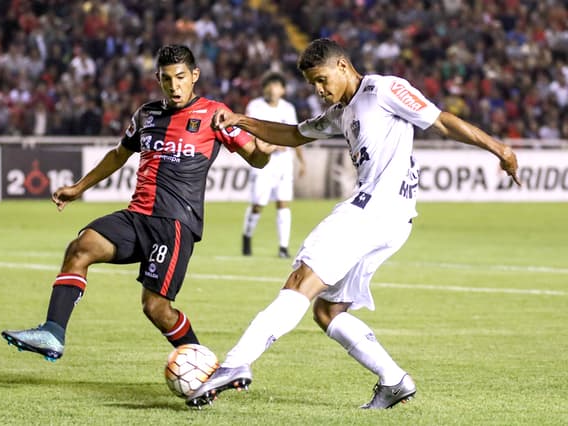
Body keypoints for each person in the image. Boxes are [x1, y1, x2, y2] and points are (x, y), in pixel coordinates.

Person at [186, 38, 520, 409]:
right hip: (393, 220)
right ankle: (394, 381)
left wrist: (500, 149)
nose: (318, 89)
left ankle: (234, 364)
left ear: (343, 66)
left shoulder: (383, 89)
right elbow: (294, 134)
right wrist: (241, 120)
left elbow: (440, 121)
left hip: (373, 210)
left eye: (322, 79)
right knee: (328, 311)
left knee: (301, 280)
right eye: (313, 83)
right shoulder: (341, 113)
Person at [1, 45, 275, 361]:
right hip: (136, 217)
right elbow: (120, 154)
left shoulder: (215, 114)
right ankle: (53, 332)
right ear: (158, 79)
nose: (174, 86)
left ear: (195, 76)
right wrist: (79, 188)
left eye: (181, 78)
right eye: (166, 79)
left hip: (173, 224)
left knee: (155, 307)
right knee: (80, 248)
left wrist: (263, 152)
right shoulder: (147, 114)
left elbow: (254, 158)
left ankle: (205, 366)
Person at [242, 72, 305, 258]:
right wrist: (274, 145)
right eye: (269, 85)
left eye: (276, 85)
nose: (272, 88)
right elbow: (249, 132)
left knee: (283, 203)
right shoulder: (255, 106)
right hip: (263, 163)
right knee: (258, 204)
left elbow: (295, 134)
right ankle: (247, 236)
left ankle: (283, 248)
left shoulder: (288, 108)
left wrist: (302, 161)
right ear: (264, 88)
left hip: (284, 164)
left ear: (283, 90)